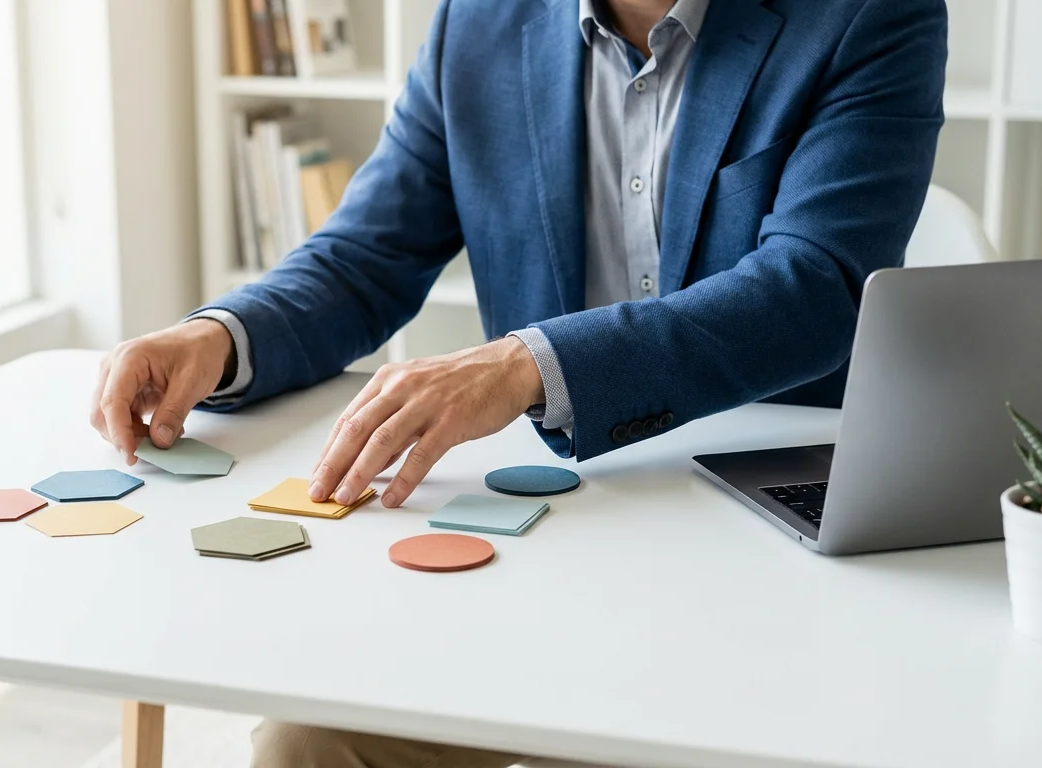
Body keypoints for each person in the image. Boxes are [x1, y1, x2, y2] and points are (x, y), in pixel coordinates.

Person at [92, 0, 946, 763]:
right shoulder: (479, 21)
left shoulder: (867, 15)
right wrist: (217, 336)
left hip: (764, 544)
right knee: (305, 742)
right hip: (542, 532)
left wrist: (528, 364)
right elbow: (367, 255)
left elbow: (816, 286)